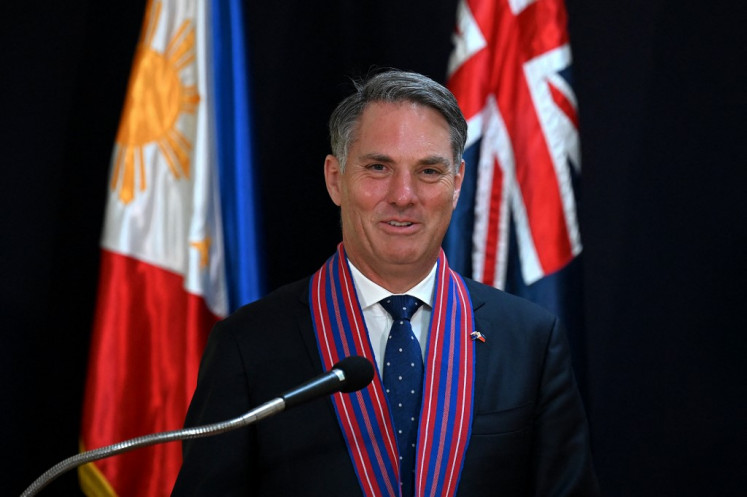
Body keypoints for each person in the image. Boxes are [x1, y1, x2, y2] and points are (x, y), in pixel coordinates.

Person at [172, 70, 599, 497]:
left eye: (429, 171)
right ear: (335, 179)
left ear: (456, 184)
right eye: (379, 167)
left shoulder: (531, 340)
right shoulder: (248, 344)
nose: (403, 195)